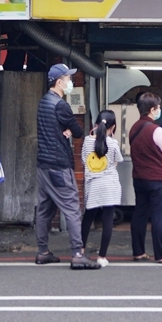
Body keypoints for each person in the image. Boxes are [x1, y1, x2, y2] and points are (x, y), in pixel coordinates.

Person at [34, 63, 98, 270]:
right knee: (71, 208)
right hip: (59, 164)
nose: (70, 82)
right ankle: (78, 254)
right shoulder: (61, 105)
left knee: (44, 210)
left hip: (43, 163)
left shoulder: (44, 102)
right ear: (59, 82)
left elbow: (55, 127)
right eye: (68, 79)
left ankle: (43, 252)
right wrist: (70, 130)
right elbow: (78, 131)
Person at [129, 92, 162, 263]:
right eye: (158, 108)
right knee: (158, 216)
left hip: (139, 177)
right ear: (152, 109)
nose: (159, 111)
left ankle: (138, 252)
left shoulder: (134, 128)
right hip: (158, 178)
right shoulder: (156, 130)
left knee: (139, 214)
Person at [80, 110, 122, 266]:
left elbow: (85, 161)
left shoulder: (86, 141)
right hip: (109, 184)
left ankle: (81, 251)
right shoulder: (113, 143)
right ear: (113, 127)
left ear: (95, 125)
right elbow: (117, 161)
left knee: (88, 217)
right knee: (107, 220)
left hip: (93, 184)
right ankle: (102, 256)